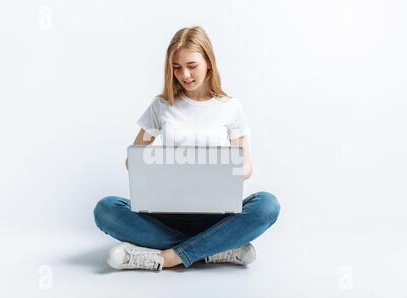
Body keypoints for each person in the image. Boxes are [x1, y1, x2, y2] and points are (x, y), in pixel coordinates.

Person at [93, 26, 281, 271]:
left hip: (216, 216)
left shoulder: (230, 107)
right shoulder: (162, 105)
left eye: (192, 65)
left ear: (209, 63)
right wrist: (155, 162)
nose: (185, 74)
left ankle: (167, 256)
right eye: (176, 67)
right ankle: (216, 249)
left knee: (267, 205)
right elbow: (133, 162)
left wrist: (217, 169)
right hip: (166, 214)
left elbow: (246, 167)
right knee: (106, 209)